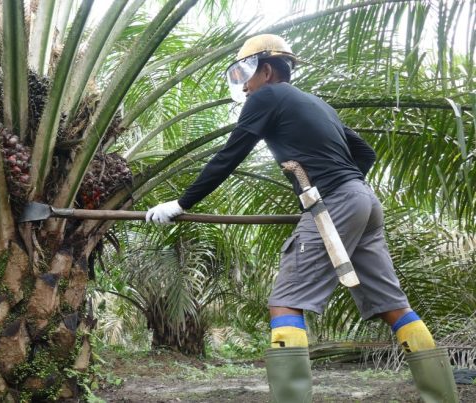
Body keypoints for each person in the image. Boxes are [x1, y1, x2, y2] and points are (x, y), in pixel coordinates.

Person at [145, 34, 458, 403]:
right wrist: (341, 185)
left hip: (336, 204)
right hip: (365, 202)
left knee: (286, 302)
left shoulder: (267, 96)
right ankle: (443, 398)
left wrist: (181, 203)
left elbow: (230, 154)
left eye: (245, 75)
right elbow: (365, 153)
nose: (243, 86)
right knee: (395, 307)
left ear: (265, 70)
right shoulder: (318, 104)